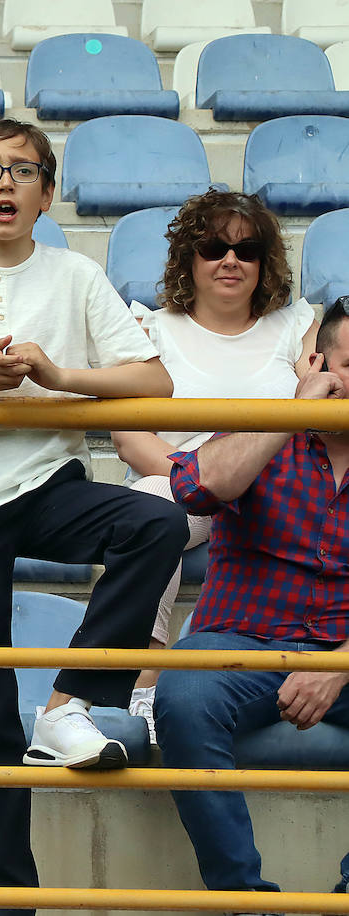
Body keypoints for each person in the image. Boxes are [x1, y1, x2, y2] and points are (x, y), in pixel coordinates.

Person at [0, 119, 189, 912]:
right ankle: (3, 900)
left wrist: (56, 374)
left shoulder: (77, 275)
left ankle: (66, 703)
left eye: (24, 171)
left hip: (49, 482)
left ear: (49, 193)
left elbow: (154, 383)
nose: (6, 184)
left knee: (153, 523)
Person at [156, 298, 349, 900]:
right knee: (184, 695)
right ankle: (244, 898)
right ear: (316, 362)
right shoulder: (258, 428)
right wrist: (290, 415)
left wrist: (337, 667)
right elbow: (196, 486)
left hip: (343, 651)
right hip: (242, 643)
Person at [112, 190, 314, 742]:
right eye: (213, 247)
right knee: (155, 504)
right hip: (180, 489)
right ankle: (147, 677)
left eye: (246, 250)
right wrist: (198, 482)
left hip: (277, 490)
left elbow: (318, 410)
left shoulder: (297, 326)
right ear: (189, 257)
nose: (230, 261)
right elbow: (130, 437)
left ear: (264, 263)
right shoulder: (149, 328)